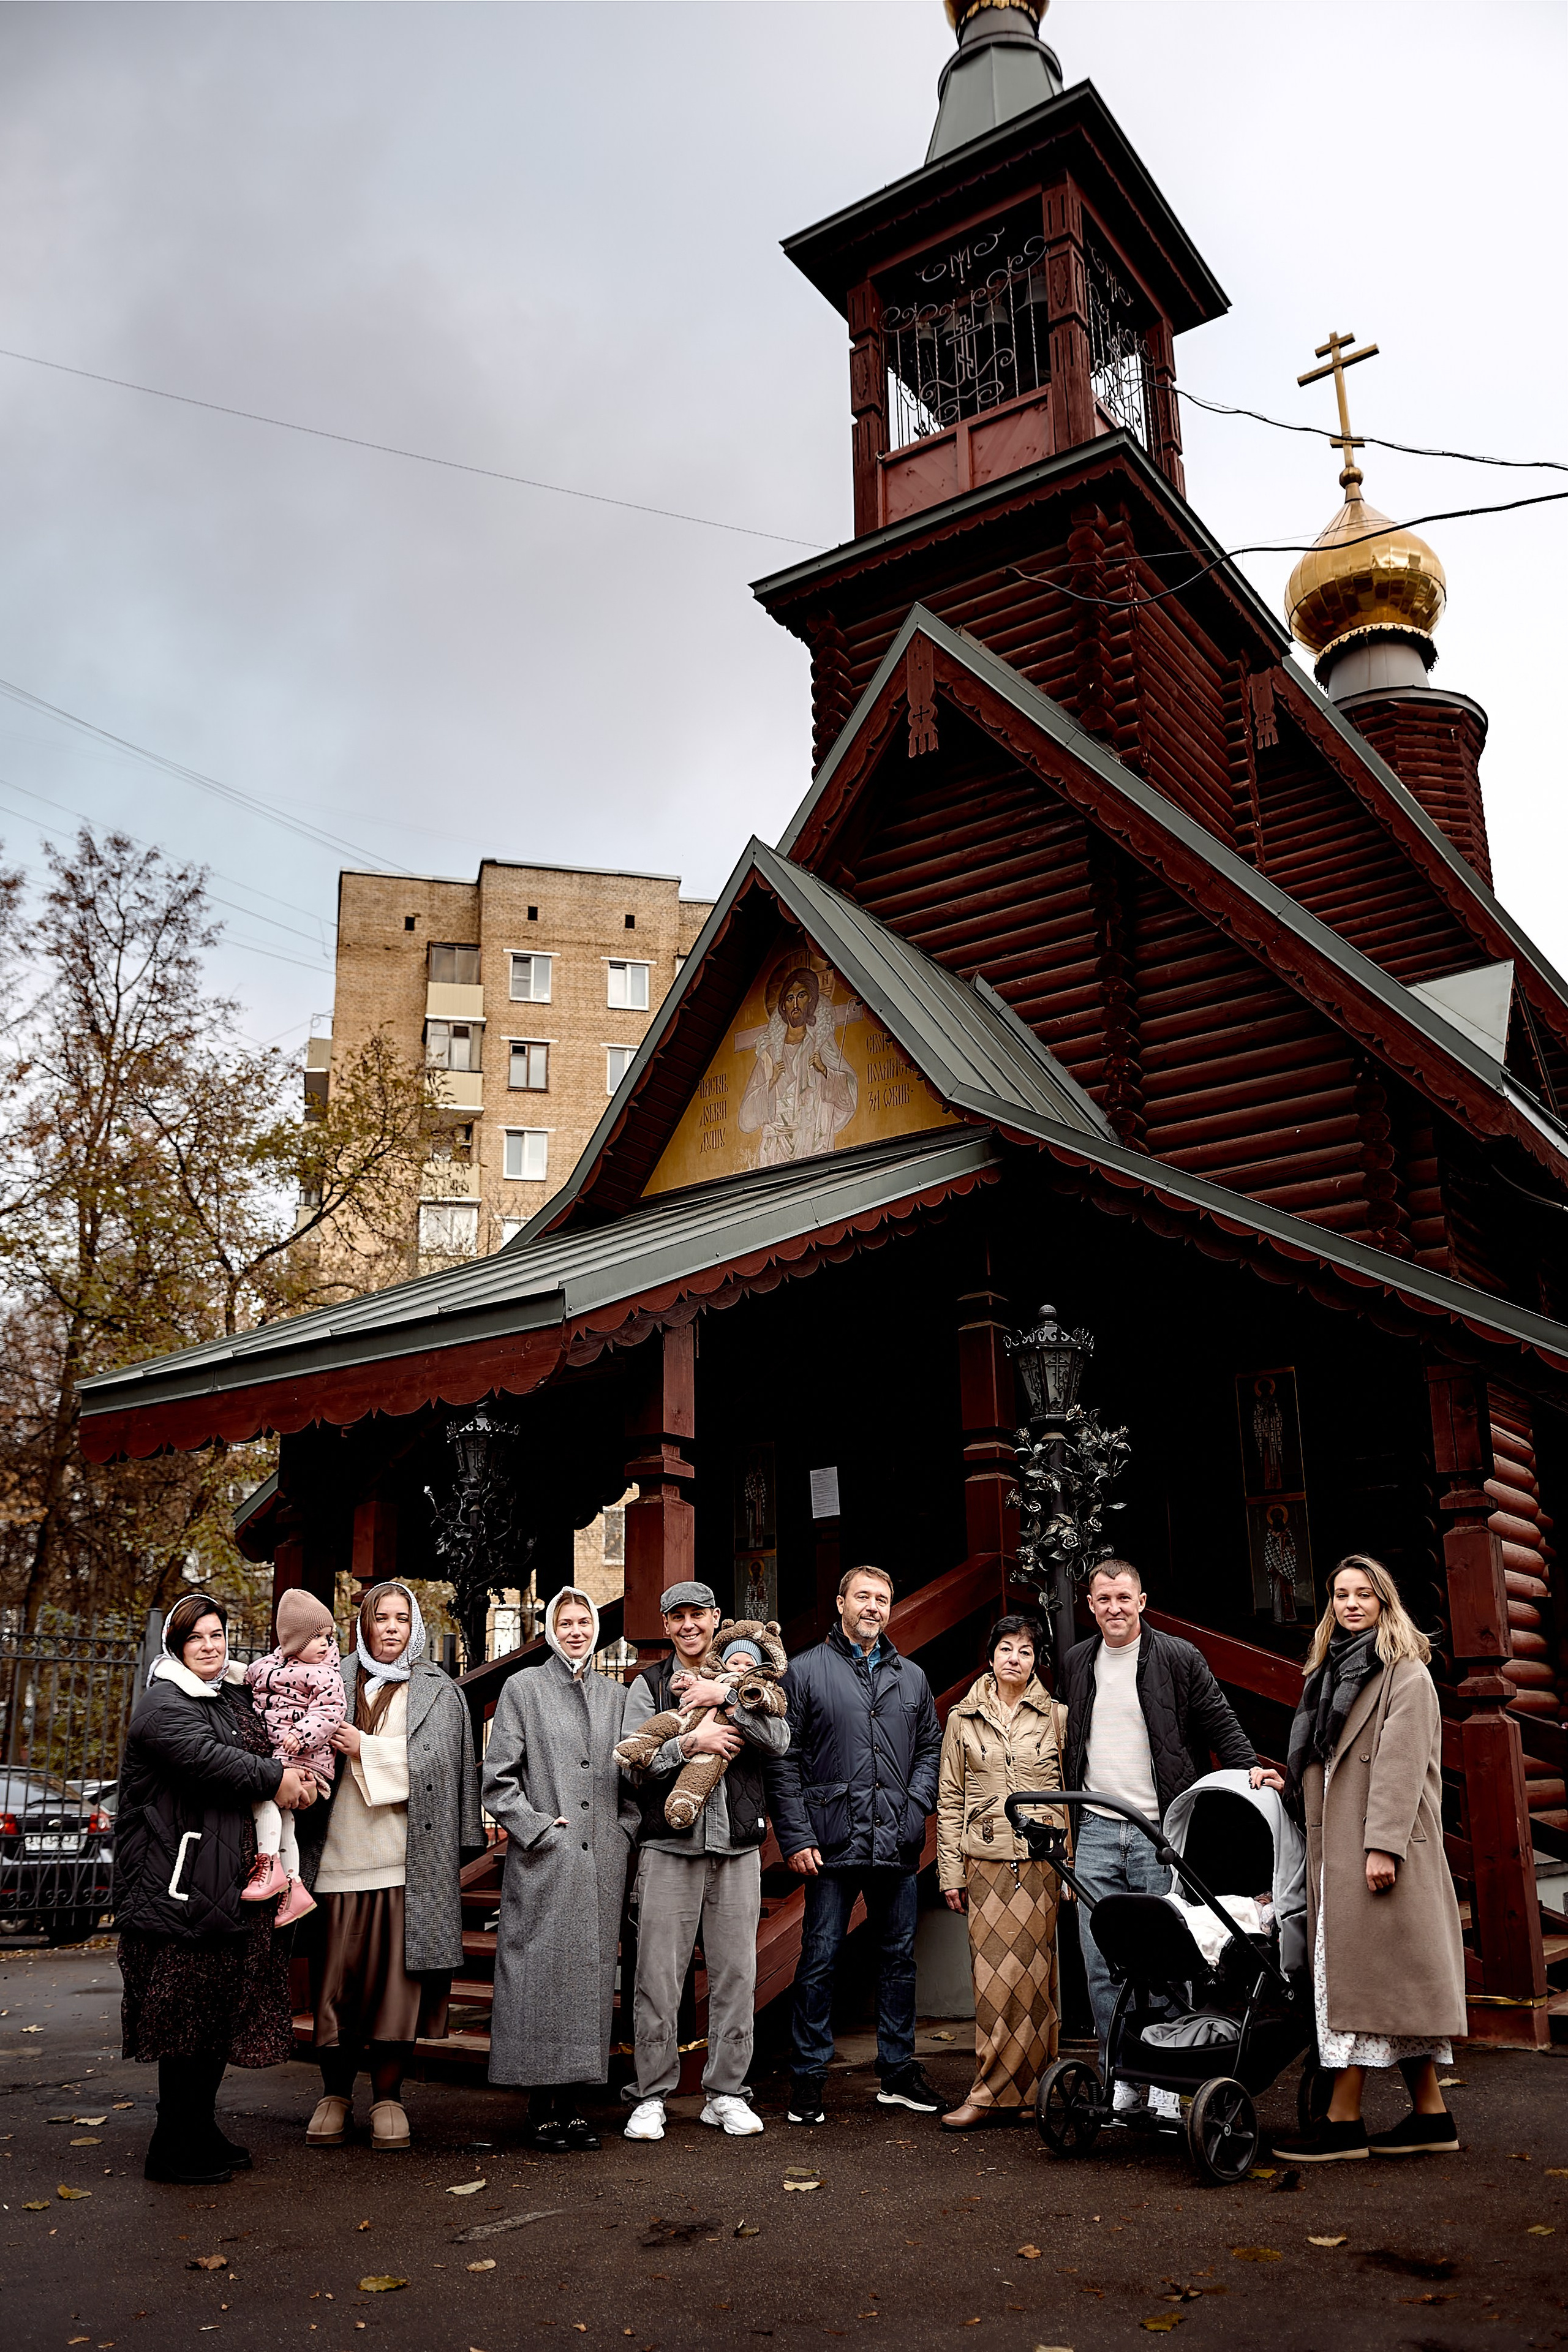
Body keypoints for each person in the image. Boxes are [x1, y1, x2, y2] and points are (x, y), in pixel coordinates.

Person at [114, 1591, 317, 2185]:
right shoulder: (162, 1703)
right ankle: (170, 2146)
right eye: (198, 1637)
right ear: (178, 1645)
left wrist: (300, 1769)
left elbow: (264, 1740)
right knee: (182, 2021)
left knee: (212, 2017)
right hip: (175, 1885)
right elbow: (208, 1761)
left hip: (224, 1883)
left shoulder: (230, 1696)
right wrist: (279, 1778)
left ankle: (198, 2128)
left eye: (218, 1635)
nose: (211, 1646)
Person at [1271, 1554, 1466, 2163]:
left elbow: (1400, 1768)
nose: (1350, 1604)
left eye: (1362, 1594)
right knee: (1387, 1987)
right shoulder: (1328, 1673)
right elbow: (1325, 1762)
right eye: (1339, 1595)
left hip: (1378, 1853)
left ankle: (1343, 2120)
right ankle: (1431, 2118)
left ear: (1384, 1601)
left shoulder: (1405, 1674)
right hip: (1341, 1850)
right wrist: (1284, 1782)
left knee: (1354, 1985)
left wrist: (1381, 1846)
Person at [1060, 1559, 1264, 2124]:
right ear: (1091, 1605)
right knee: (1101, 1963)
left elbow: (1219, 1722)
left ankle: (1168, 2080)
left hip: (1160, 1832)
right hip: (1097, 1829)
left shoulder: (1177, 1657)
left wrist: (1249, 1771)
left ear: (1142, 1601)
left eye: (1123, 1598)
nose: (1114, 1609)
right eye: (1103, 1600)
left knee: (1170, 1962)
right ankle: (1120, 2073)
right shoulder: (1077, 1662)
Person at [297, 1581, 483, 2154]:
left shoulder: (437, 1691)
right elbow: (292, 1743)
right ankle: (334, 2094)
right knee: (337, 1990)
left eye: (404, 1618)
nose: (393, 1628)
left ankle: (388, 2097)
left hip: (408, 1868)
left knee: (397, 1992)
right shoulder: (327, 1676)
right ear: (365, 1624)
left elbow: (445, 1769)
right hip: (337, 1863)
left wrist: (365, 1749)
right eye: (383, 1618)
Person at [766, 1564, 943, 2125]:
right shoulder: (805, 1672)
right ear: (841, 1602)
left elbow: (930, 1750)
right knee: (819, 1959)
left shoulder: (911, 1677)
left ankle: (897, 2072)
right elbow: (784, 1760)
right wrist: (795, 1836)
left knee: (899, 1961)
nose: (873, 1606)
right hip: (830, 1840)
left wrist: (916, 1808)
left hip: (896, 1839)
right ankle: (809, 2078)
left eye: (883, 1599)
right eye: (863, 1596)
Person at [619, 1582, 790, 2143]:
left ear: (717, 1618)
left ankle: (726, 2093)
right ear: (666, 1626)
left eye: (699, 1614)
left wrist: (727, 1698)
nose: (689, 1625)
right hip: (669, 1847)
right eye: (678, 1617)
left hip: (738, 1847)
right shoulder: (648, 1685)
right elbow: (630, 1763)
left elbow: (780, 1739)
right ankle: (650, 2095)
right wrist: (691, 1745)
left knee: (736, 1976)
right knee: (658, 1977)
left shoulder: (753, 1676)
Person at [483, 1586, 639, 2150]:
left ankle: (572, 2103)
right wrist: (538, 1829)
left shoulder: (616, 1696)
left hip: (602, 1861)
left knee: (590, 1979)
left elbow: (633, 1773)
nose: (576, 1631)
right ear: (551, 1629)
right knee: (538, 1977)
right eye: (566, 1622)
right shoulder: (522, 1689)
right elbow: (498, 1779)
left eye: (584, 1622)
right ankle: (539, 2102)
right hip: (546, 1861)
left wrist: (624, 1828)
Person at [936, 1613, 1066, 2131]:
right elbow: (949, 1799)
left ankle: (1041, 2090)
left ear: (1036, 1661)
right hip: (986, 1864)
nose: (1015, 1658)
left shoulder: (1055, 1716)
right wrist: (950, 1872)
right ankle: (988, 2093)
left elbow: (1067, 1790)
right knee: (993, 1985)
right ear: (990, 1657)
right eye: (1006, 1649)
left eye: (1026, 1651)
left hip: (1041, 1867)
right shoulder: (962, 1719)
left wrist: (1071, 1863)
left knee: (1038, 1984)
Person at [241, 1588, 347, 1924]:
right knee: (285, 1819)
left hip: (307, 1757)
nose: (326, 1645)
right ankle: (294, 1886)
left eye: (329, 1637)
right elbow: (244, 1677)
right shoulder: (267, 1667)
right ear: (294, 1640)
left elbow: (331, 1712)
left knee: (265, 1799)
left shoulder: (326, 1673)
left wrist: (301, 1736)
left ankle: (268, 1862)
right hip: (279, 1753)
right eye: (317, 1637)